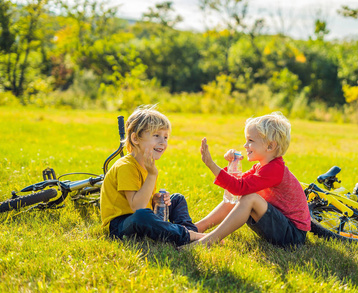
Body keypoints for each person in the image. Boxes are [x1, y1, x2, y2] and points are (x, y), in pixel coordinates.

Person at [193, 112, 311, 248]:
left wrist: (211, 164)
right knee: (244, 194)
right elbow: (237, 185)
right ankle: (197, 228)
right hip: (281, 226)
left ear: (270, 146)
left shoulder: (274, 170)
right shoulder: (261, 167)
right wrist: (232, 164)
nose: (245, 145)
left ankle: (208, 241)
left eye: (250, 141)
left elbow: (239, 187)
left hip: (293, 236)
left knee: (249, 198)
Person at [100, 105, 204, 246]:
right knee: (143, 216)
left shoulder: (145, 164)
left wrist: (155, 200)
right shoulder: (126, 166)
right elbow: (137, 207)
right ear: (136, 138)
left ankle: (188, 233)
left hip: (140, 215)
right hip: (120, 226)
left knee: (177, 199)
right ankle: (187, 235)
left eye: (165, 137)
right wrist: (152, 174)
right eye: (156, 136)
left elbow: (144, 200)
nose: (162, 142)